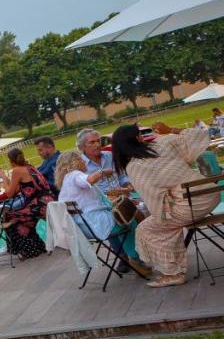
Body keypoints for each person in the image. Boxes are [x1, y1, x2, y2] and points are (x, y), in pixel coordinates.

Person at [114, 122, 221, 288]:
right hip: (211, 194)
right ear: (138, 138)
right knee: (161, 222)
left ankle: (173, 273)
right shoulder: (162, 142)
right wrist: (171, 129)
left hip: (192, 205)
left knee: (147, 228)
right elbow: (199, 135)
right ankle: (174, 267)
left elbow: (153, 200)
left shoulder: (134, 166)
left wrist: (158, 212)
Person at [55, 149, 150, 277]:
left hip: (84, 228)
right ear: (75, 162)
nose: (85, 162)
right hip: (95, 224)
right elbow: (88, 180)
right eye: (82, 160)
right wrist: (103, 172)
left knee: (119, 223)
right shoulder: (74, 175)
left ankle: (125, 257)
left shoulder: (66, 183)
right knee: (129, 221)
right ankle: (135, 258)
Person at [0, 147, 54, 259]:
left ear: (11, 160)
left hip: (39, 205)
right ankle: (37, 247)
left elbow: (9, 193)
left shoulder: (17, 170)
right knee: (21, 217)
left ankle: (29, 250)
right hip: (47, 201)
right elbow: (16, 190)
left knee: (9, 216)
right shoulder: (30, 167)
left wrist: (3, 178)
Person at [77, 128, 131, 195]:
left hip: (124, 195)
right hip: (100, 203)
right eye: (92, 142)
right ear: (82, 147)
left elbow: (122, 176)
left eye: (98, 141)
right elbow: (84, 192)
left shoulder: (110, 155)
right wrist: (108, 193)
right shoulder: (80, 166)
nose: (97, 145)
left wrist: (127, 185)